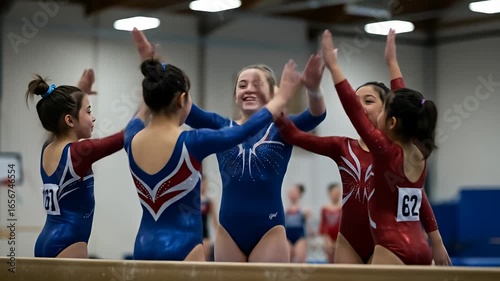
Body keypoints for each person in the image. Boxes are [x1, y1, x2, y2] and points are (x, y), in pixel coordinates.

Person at [130, 28, 327, 262]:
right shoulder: (220, 125)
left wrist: (313, 90)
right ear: (235, 95)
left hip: (269, 230)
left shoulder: (283, 128)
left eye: (257, 84)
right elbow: (172, 96)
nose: (249, 89)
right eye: (242, 85)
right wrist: (153, 65)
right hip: (228, 231)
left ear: (274, 92)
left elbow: (316, 116)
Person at [276, 29, 450, 265]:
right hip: (355, 241)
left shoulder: (386, 150)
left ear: (390, 116)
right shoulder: (411, 150)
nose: (362, 109)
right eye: (359, 102)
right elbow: (298, 137)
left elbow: (420, 198)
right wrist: (392, 63)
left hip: (387, 246)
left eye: (369, 102)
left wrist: (334, 67)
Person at [29, 70, 148, 258]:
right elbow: (126, 136)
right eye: (89, 111)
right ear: (69, 120)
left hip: (46, 241)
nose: (93, 118)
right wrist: (150, 101)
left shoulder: (48, 148)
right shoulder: (79, 153)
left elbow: (59, 116)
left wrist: (80, 90)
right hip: (69, 244)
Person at [285, 184, 311, 263]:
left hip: (300, 237)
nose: (292, 194)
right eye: (291, 192)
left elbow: (309, 226)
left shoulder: (305, 210)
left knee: (300, 260)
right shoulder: (284, 210)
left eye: (294, 192)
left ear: (299, 194)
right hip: (287, 237)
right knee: (286, 260)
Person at [318, 183, 342, 263]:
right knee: (331, 261)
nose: (336, 195)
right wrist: (326, 240)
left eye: (338, 193)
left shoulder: (343, 208)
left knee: (340, 260)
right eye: (334, 193)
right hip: (329, 239)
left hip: (341, 238)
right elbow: (323, 226)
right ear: (329, 193)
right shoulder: (325, 209)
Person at [200, 175, 218, 261]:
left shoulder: (209, 201)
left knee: (205, 259)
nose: (204, 186)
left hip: (205, 235)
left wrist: (218, 237)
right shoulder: (192, 201)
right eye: (203, 183)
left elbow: (215, 221)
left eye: (206, 184)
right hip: (195, 233)